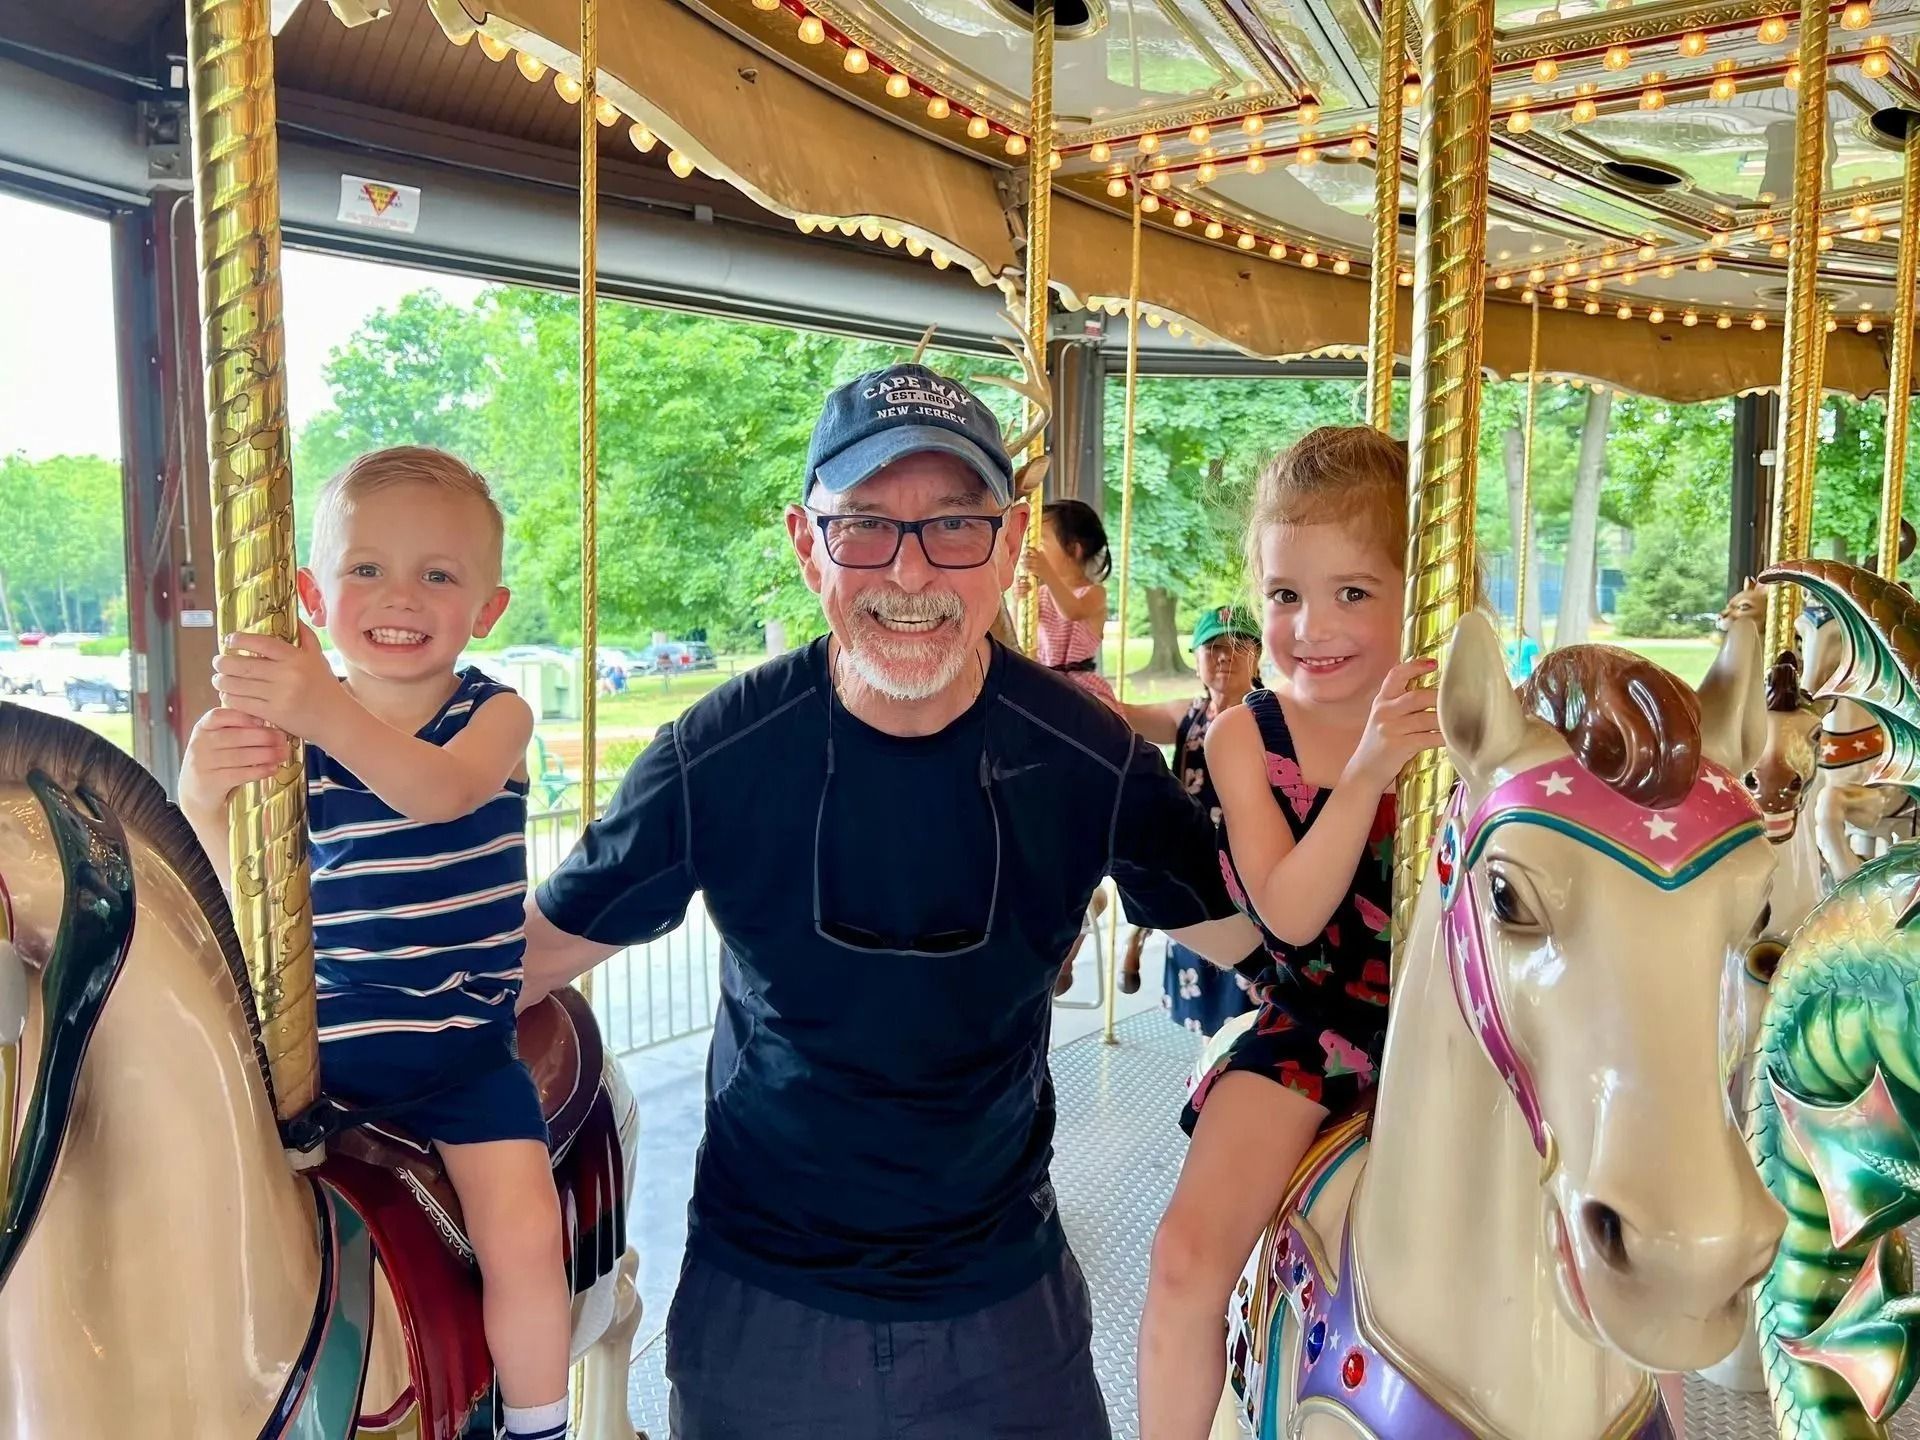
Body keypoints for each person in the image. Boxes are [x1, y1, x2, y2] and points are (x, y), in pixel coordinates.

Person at [515, 360, 1258, 1439]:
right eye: (865, 525)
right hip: (766, 1304)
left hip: (1003, 1301)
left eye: (955, 526)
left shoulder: (1085, 758)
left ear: (1009, 548)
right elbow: (526, 958)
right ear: (804, 541)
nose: (911, 572)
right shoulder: (717, 754)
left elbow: (1261, 941)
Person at [176, 447, 572, 1440]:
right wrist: (204, 794)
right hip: (319, 1046)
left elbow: (435, 795)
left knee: (525, 1236)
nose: (402, 595)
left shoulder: (496, 714)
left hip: (460, 1056)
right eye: (367, 568)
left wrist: (320, 707)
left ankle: (540, 1424)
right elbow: (244, 895)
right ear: (311, 593)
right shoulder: (293, 746)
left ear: (487, 607)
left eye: (439, 574)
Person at [1136, 426, 1442, 1440]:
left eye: (1354, 592)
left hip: (1455, 1028)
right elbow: (1293, 912)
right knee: (1184, 1259)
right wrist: (1368, 774)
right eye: (1285, 595)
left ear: (1425, 587)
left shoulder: (1468, 723)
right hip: (1317, 1027)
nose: (1312, 625)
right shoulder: (1244, 737)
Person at [1117, 604, 1268, 1034]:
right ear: (1197, 656)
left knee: (1252, 982)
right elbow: (1117, 713)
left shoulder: (1274, 716)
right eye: (1213, 647)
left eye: (1239, 646)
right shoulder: (1187, 715)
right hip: (1197, 863)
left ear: (1256, 656)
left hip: (1252, 864)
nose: (1225, 656)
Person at [1018, 496, 1119, 709]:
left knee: (1093, 720)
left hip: (1082, 687)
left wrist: (1046, 573)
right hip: (1046, 679)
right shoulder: (1042, 593)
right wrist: (1021, 601)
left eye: (1041, 541)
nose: (1035, 549)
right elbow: (1019, 636)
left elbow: (1072, 611)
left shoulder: (1094, 593)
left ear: (1074, 549)